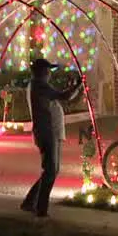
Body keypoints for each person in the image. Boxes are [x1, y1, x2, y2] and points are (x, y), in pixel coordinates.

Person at [20, 58, 82, 218]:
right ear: (42, 72)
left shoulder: (39, 86)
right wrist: (77, 85)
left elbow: (60, 97)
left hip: (50, 132)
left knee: (51, 170)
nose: (49, 73)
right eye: (48, 70)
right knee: (51, 170)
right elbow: (65, 97)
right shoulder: (39, 86)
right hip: (47, 132)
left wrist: (74, 86)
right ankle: (40, 208)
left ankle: (30, 201)